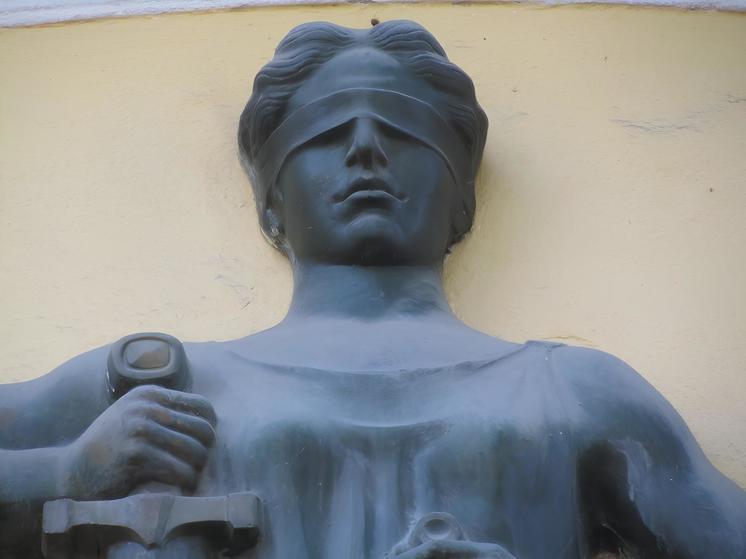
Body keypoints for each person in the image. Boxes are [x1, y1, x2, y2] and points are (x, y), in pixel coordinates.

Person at [0, 20, 743, 559]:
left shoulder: (575, 393)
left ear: (461, 200)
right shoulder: (165, 382)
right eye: (326, 134)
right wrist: (66, 471)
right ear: (270, 201)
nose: (364, 149)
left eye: (403, 131)